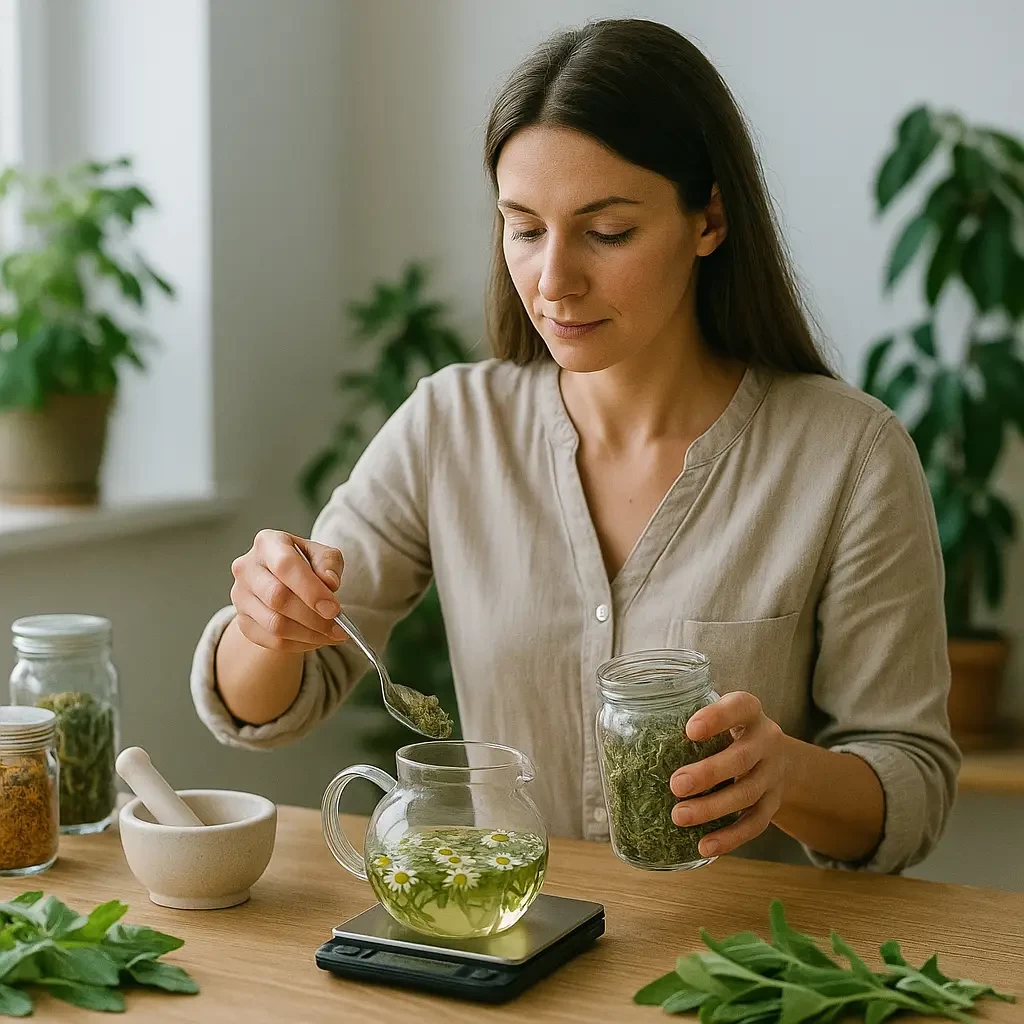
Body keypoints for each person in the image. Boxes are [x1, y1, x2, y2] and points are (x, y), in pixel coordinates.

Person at [191, 18, 959, 873]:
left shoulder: (849, 455)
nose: (554, 281)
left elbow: (911, 783)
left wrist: (788, 776)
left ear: (709, 218)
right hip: (513, 949)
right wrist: (266, 623)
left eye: (607, 232)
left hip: (737, 964)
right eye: (524, 227)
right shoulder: (450, 424)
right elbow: (266, 706)